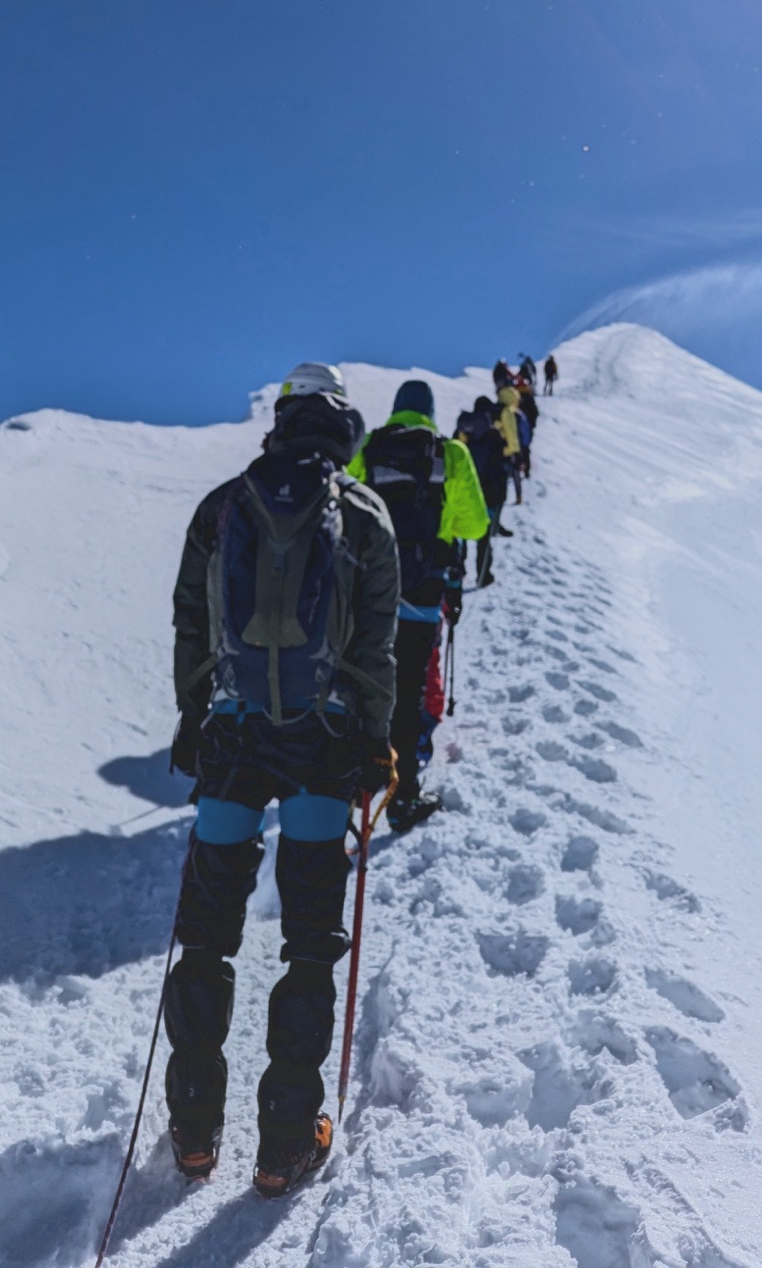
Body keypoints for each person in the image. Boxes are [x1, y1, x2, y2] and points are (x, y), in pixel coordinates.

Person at [165, 363, 400, 1197]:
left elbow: (192, 620)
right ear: (342, 431)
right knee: (307, 942)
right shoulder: (365, 514)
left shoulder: (224, 505)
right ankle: (285, 1146)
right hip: (324, 748)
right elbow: (375, 648)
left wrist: (196, 718)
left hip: (232, 740)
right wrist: (375, 742)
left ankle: (194, 1133)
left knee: (207, 933)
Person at [349, 380, 488, 834]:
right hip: (423, 592)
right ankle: (402, 794)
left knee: (359, 682)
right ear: (430, 411)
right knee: (407, 694)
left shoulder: (370, 446)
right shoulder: (450, 454)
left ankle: (352, 782)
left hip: (368, 590)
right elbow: (475, 522)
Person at [455, 395, 512, 585]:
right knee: (484, 538)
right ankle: (482, 575)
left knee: (460, 535)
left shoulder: (463, 430)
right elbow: (501, 468)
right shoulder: (494, 435)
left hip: (462, 491)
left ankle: (458, 569)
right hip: (488, 493)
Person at [495, 381, 524, 503]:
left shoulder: (496, 409)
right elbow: (512, 435)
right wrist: (516, 451)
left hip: (496, 452)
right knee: (506, 483)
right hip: (506, 452)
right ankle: (518, 497)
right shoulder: (507, 412)